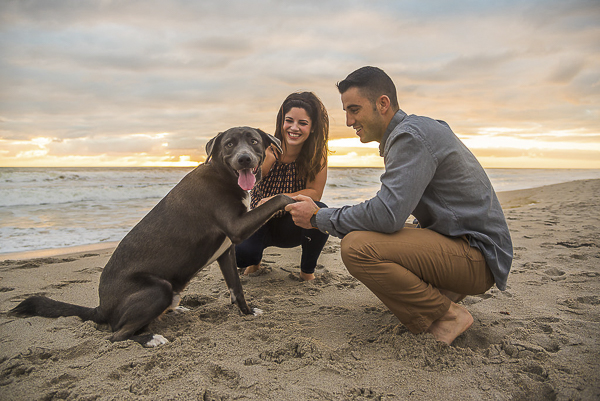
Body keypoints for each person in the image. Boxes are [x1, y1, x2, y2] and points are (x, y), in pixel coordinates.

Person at [286, 67, 513, 344]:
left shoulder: (410, 137)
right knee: (377, 235)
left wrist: (318, 217)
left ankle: (449, 316)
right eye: (346, 111)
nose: (348, 121)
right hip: (470, 247)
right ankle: (443, 297)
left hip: (478, 257)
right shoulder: (414, 131)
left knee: (357, 246)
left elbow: (386, 216)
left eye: (354, 109)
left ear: (383, 104)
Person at [235, 92, 330, 281]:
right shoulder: (267, 149)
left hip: (292, 223)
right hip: (260, 221)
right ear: (281, 123)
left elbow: (315, 193)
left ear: (311, 128)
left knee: (320, 212)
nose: (294, 128)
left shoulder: (316, 156)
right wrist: (267, 158)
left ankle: (307, 272)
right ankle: (255, 261)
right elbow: (249, 181)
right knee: (241, 256)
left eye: (302, 123)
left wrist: (277, 201)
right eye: (289, 121)